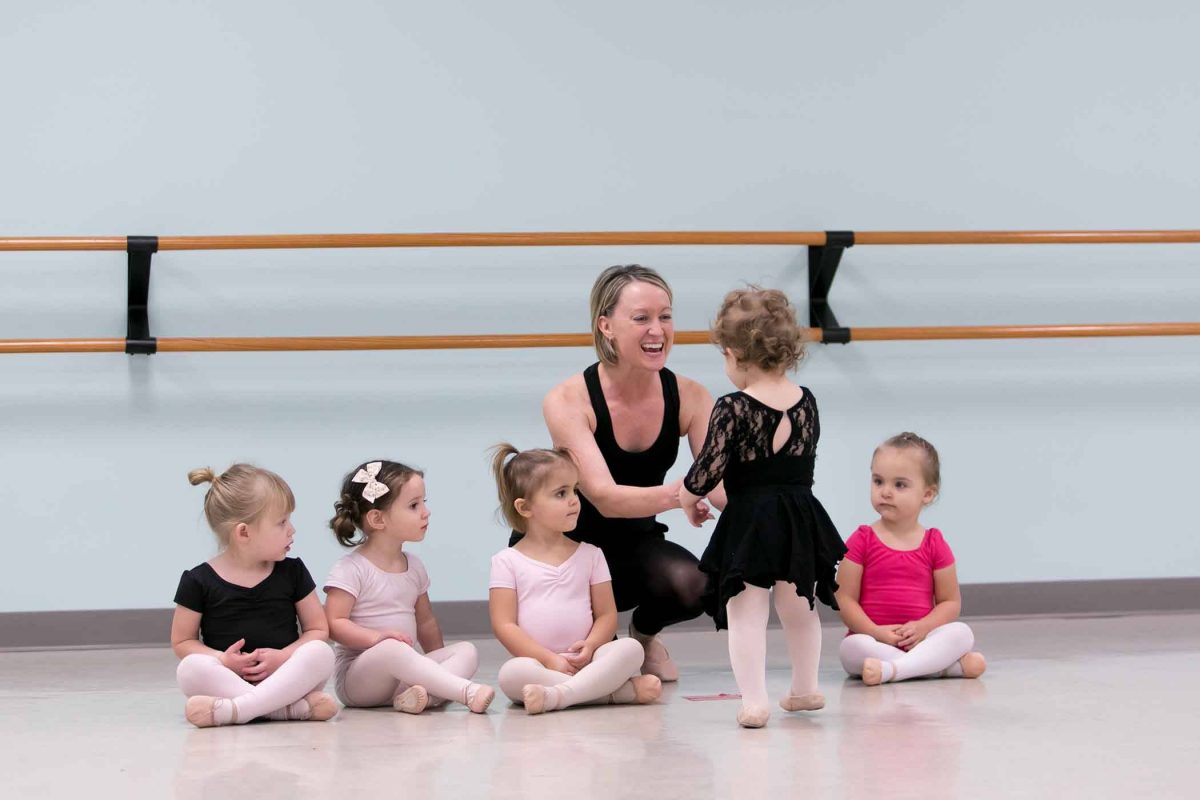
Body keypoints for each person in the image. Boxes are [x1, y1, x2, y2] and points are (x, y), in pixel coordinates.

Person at [538, 264, 727, 682]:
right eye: (641, 318)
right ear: (606, 325)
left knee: (695, 585)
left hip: (636, 545)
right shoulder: (567, 399)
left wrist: (773, 502)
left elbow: (718, 487)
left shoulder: (692, 396)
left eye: (665, 316)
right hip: (566, 548)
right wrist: (683, 494)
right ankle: (601, 643)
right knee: (581, 666)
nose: (657, 330)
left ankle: (641, 636)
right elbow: (603, 497)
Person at [680, 287, 847, 728]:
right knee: (800, 606)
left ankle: (754, 700)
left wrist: (687, 500)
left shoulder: (732, 408)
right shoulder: (807, 401)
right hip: (800, 515)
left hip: (751, 521)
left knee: (747, 611)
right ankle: (805, 687)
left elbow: (705, 473)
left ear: (733, 354)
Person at [489, 443, 663, 714]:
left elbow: (606, 615)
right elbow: (504, 625)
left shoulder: (591, 555)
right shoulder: (506, 561)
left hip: (591, 659)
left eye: (574, 490)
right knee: (511, 674)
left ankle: (559, 695)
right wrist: (548, 659)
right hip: (539, 665)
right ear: (524, 508)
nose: (574, 500)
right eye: (561, 493)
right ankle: (612, 693)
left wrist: (592, 645)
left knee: (630, 649)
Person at [171, 463, 336, 728]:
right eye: (281, 522)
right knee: (189, 669)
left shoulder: (293, 571)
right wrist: (223, 660)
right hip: (227, 680)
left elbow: (317, 629)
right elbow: (183, 642)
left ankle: (238, 709)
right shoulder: (197, 580)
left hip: (287, 676)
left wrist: (284, 656)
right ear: (244, 532)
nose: (291, 529)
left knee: (321, 653)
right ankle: (285, 710)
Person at [324, 460, 495, 714]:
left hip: (402, 677)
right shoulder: (351, 568)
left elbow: (426, 622)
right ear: (377, 519)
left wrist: (436, 666)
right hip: (359, 680)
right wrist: (376, 638)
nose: (426, 512)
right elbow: (334, 624)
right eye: (414, 505)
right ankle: (463, 691)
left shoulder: (414, 566)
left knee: (466, 651)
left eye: (425, 502)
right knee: (392, 648)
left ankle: (422, 695)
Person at [836, 433, 987, 685]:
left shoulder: (934, 543)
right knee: (851, 648)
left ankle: (894, 670)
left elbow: (950, 602)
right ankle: (938, 668)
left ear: (927, 494)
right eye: (878, 481)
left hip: (921, 638)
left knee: (962, 633)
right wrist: (875, 632)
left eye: (899, 485)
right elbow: (844, 598)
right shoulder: (862, 540)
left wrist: (924, 627)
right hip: (874, 642)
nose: (885, 492)